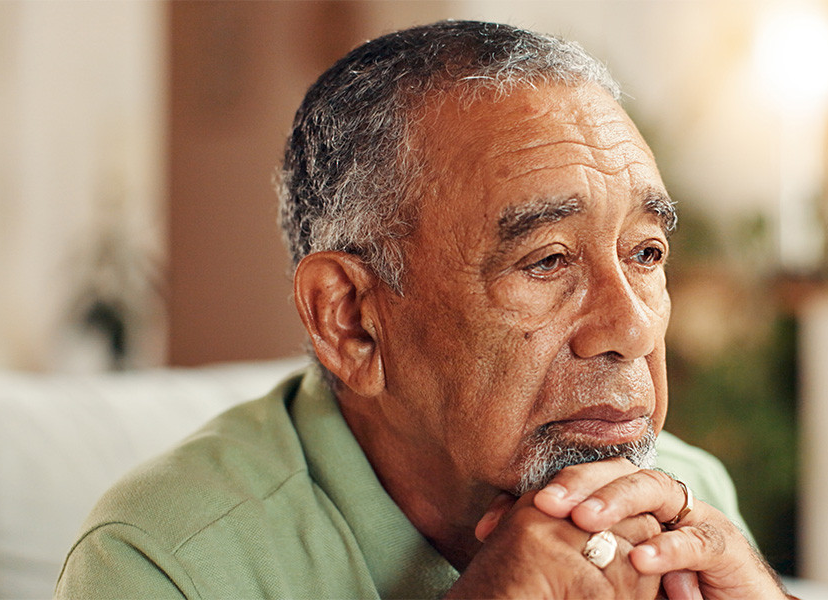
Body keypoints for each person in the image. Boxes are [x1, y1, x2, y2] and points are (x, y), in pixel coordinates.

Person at [56, 20, 789, 599]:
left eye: (646, 254)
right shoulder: (161, 563)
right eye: (548, 260)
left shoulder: (684, 492)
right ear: (352, 319)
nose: (630, 328)